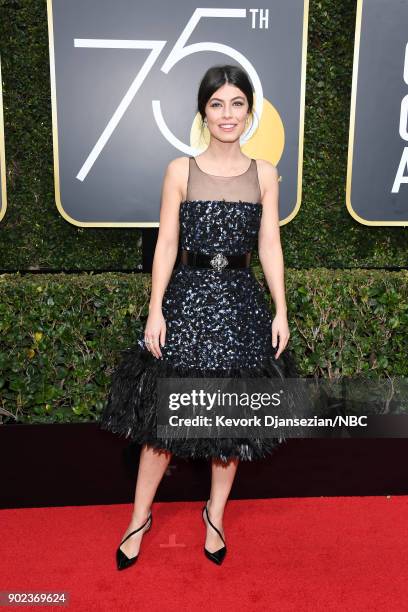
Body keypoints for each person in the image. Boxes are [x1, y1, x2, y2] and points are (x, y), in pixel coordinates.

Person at [99, 64, 299, 570]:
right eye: (217, 104)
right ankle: (139, 517)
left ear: (250, 112)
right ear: (203, 112)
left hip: (238, 306)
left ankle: (214, 514)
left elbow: (269, 244)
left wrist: (280, 308)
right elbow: (166, 243)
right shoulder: (179, 170)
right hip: (186, 304)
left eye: (237, 103)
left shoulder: (266, 174)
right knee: (163, 424)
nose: (227, 114)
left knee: (228, 421)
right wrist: (155, 310)